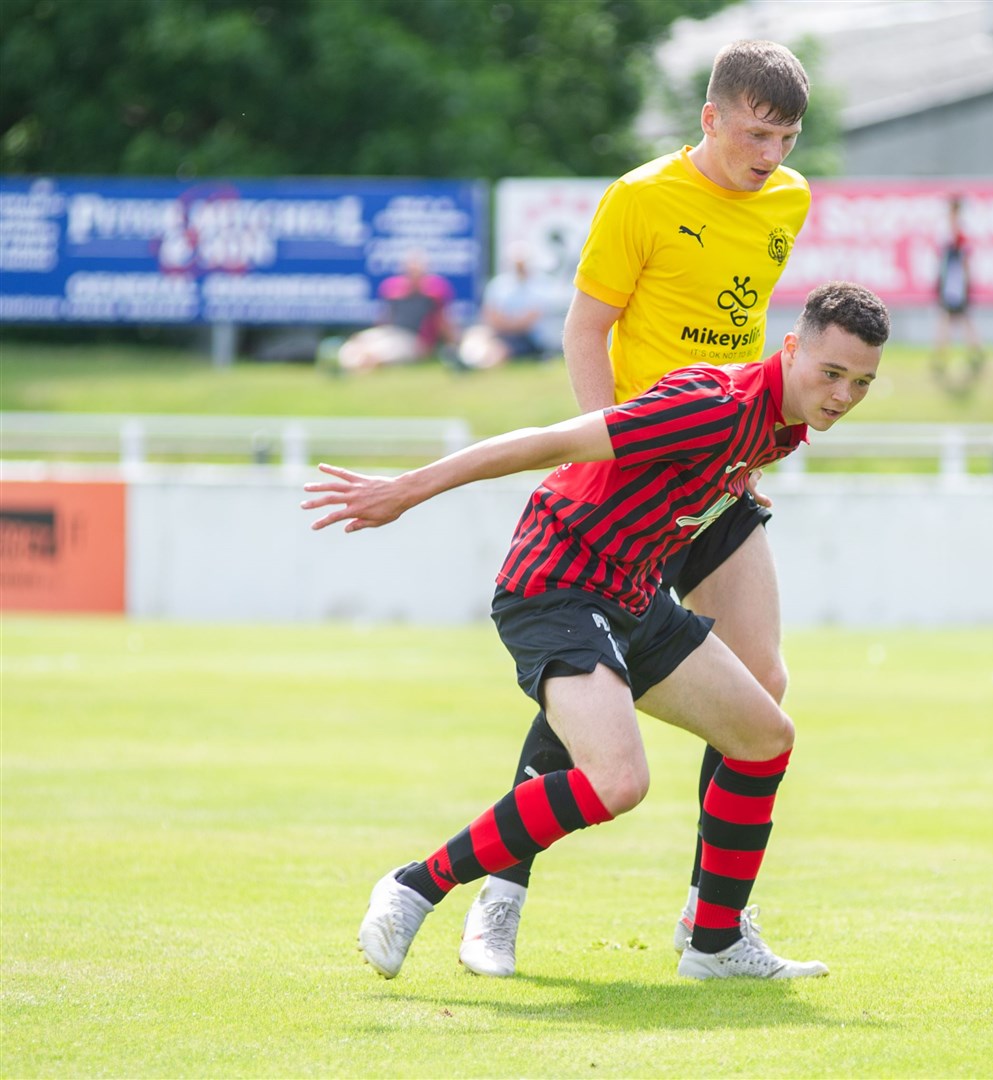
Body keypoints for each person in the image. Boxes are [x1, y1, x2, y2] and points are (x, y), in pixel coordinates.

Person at [301, 281, 890, 982]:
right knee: (618, 780)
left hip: (631, 595)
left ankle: (714, 942)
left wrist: (731, 483)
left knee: (765, 738)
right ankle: (414, 886)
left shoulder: (780, 423)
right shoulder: (714, 405)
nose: (843, 396)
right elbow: (551, 442)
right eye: (832, 374)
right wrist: (407, 489)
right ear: (791, 349)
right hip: (557, 581)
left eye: (862, 382)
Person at [451, 39, 816, 979]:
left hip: (721, 478)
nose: (768, 153)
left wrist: (751, 443)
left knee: (763, 686)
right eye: (752, 131)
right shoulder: (641, 197)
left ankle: (715, 926)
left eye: (783, 135)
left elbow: (744, 328)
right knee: (586, 680)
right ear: (710, 117)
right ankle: (500, 897)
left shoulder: (790, 202)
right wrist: (600, 463)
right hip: (636, 481)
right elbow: (586, 330)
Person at [333, 251, 458, 372]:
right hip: (391, 332)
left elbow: (442, 322)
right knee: (359, 340)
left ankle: (360, 365)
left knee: (384, 350)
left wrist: (453, 346)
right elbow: (385, 317)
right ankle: (348, 364)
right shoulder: (394, 290)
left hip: (413, 339)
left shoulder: (433, 294)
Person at [458, 246, 556, 370]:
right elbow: (490, 314)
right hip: (501, 331)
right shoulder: (498, 284)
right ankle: (466, 360)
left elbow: (530, 320)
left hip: (529, 337)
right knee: (476, 334)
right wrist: (507, 324)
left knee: (500, 347)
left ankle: (477, 366)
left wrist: (506, 324)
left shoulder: (542, 284)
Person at [930, 195, 985, 396]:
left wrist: (963, 281)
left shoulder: (958, 232)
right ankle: (956, 354)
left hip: (954, 284)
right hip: (952, 283)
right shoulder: (949, 232)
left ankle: (948, 355)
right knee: (954, 319)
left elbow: (963, 259)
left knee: (954, 319)